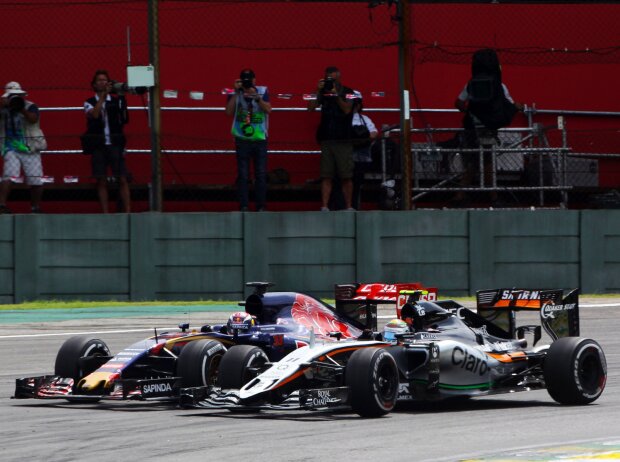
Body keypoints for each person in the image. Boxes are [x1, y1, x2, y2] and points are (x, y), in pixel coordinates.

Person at [453, 49, 523, 205]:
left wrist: (470, 112)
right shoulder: (499, 86)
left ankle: (460, 195)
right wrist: (519, 107)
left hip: (471, 128)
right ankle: (493, 196)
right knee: (487, 161)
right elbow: (510, 104)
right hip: (488, 128)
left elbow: (458, 102)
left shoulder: (471, 84)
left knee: (472, 161)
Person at [308, 66, 355, 211]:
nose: (331, 81)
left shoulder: (349, 92)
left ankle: (348, 206)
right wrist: (317, 91)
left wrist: (336, 95)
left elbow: (347, 109)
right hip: (327, 138)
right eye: (329, 78)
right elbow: (310, 107)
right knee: (326, 175)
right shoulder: (322, 92)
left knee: (346, 175)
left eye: (333, 78)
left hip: (343, 138)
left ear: (339, 77)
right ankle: (324, 206)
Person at [84, 69, 131, 213]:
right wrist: (102, 98)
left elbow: (124, 119)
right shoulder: (89, 102)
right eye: (99, 80)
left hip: (114, 143)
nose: (102, 82)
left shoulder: (116, 101)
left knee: (122, 178)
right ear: (94, 84)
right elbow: (95, 115)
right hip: (98, 145)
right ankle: (105, 213)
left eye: (105, 80)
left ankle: (128, 211)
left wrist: (122, 96)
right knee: (101, 180)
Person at [225, 69, 272, 212]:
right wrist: (235, 93)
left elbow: (268, 109)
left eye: (249, 80)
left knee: (261, 174)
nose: (247, 83)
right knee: (243, 174)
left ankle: (261, 205)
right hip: (242, 138)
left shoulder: (262, 91)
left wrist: (257, 97)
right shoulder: (235, 92)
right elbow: (228, 112)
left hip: (259, 138)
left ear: (254, 80)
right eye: (244, 80)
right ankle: (244, 205)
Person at [0, 82, 46, 214]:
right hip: (10, 147)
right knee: (9, 175)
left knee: (35, 179)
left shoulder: (30, 106)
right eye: (12, 96)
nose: (14, 98)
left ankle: (35, 207)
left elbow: (33, 119)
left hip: (29, 147)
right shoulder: (3, 108)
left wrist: (21, 108)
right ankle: (1, 205)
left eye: (17, 96)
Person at [350, 91, 378, 210]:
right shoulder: (342, 119)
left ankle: (355, 205)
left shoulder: (365, 118)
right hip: (347, 156)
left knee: (357, 181)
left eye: (356, 103)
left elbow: (374, 132)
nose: (354, 105)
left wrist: (363, 140)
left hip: (362, 158)